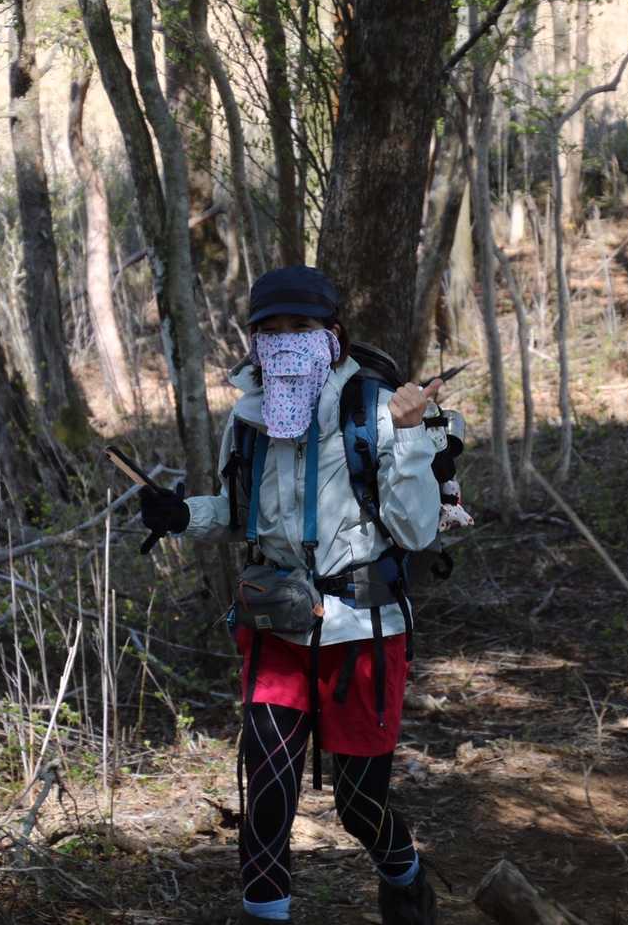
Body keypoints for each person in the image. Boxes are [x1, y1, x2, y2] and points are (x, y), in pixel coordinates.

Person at [139, 265, 443, 925]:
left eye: (300, 328)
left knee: (359, 806)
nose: (285, 342)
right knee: (269, 789)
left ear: (332, 334)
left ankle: (406, 879)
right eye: (270, 331)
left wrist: (411, 434)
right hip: (274, 628)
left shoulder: (376, 411)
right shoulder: (248, 420)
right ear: (254, 341)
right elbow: (238, 511)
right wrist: (183, 515)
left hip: (363, 630)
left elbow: (417, 529)